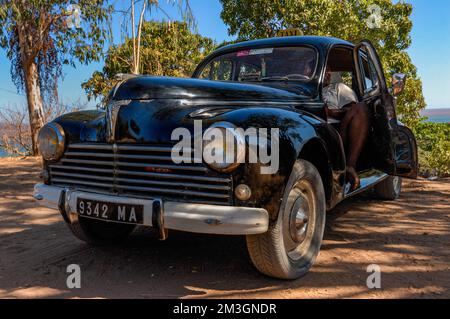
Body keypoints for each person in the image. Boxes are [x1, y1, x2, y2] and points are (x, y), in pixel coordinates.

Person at [322, 68, 371, 190]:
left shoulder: (339, 88)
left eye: (329, 70)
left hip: (336, 130)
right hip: (309, 128)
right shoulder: (300, 89)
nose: (327, 73)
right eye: (324, 69)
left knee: (362, 108)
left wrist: (331, 112)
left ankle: (350, 165)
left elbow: (353, 110)